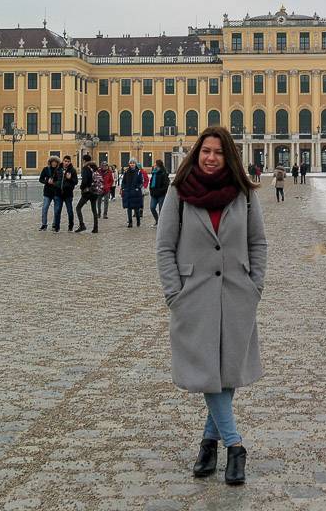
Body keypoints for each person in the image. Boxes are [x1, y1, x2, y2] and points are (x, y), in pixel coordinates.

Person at [156, 126, 266, 486]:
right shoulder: (179, 192)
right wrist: (175, 292)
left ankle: (208, 444)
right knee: (208, 368)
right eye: (206, 151)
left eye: (218, 152)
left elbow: (258, 243)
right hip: (195, 296)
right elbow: (164, 246)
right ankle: (235, 446)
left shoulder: (245, 195)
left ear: (228, 155)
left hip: (236, 294)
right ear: (196, 153)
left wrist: (255, 286)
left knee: (226, 370)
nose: (211, 157)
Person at [75, 154, 101, 233]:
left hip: (87, 192)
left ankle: (82, 225)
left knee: (78, 208)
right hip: (95, 191)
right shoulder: (95, 167)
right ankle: (95, 228)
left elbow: (85, 180)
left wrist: (82, 187)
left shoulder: (85, 168)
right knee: (94, 210)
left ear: (84, 160)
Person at [38, 157, 63, 231]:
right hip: (47, 192)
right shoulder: (46, 169)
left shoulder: (59, 170)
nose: (54, 163)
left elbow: (61, 180)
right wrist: (46, 181)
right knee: (44, 208)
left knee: (56, 210)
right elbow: (40, 179)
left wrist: (54, 183)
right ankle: (44, 224)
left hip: (56, 192)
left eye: (55, 162)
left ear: (57, 163)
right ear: (50, 162)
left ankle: (55, 224)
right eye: (53, 162)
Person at [121, 159, 145, 227]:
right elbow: (123, 181)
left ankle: (138, 221)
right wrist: (123, 188)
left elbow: (141, 182)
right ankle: (130, 222)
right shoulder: (126, 172)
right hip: (128, 192)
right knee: (129, 208)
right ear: (129, 164)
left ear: (135, 164)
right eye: (131, 163)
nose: (132, 164)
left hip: (136, 193)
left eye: (133, 163)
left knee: (136, 209)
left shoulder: (138, 172)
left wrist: (138, 188)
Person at [60, 155, 78, 231]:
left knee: (69, 210)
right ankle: (56, 226)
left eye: (68, 161)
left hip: (68, 194)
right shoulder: (59, 169)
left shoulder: (72, 170)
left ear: (70, 162)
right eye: (65, 161)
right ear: (63, 161)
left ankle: (70, 226)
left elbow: (76, 182)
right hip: (59, 193)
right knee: (57, 210)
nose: (66, 163)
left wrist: (70, 179)